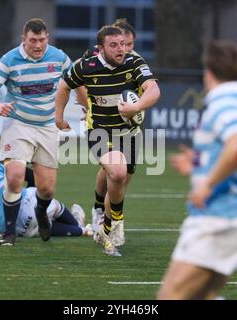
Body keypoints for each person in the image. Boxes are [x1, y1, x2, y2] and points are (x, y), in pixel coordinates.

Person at [157, 40, 237, 300]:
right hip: (227, 219)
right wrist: (198, 161)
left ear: (210, 72)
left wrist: (207, 184)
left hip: (215, 219)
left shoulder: (225, 103)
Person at [55, 25, 160, 256]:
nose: (121, 49)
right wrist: (59, 116)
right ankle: (114, 222)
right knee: (117, 172)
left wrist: (136, 106)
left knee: (122, 180)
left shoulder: (135, 62)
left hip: (130, 133)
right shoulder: (87, 65)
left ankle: (105, 228)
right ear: (101, 49)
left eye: (123, 44)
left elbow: (153, 90)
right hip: (100, 131)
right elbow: (64, 86)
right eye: (114, 45)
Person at [0, 18, 77, 245]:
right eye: (33, 40)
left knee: (46, 189)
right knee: (14, 176)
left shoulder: (59, 58)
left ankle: (42, 211)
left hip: (47, 127)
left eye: (42, 40)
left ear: (47, 39)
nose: (38, 45)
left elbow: (77, 81)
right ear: (23, 39)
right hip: (18, 124)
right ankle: (9, 232)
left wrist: (85, 105)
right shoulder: (9, 59)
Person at [0, 158, 93, 239]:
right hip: (24, 203)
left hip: (12, 228)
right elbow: (24, 172)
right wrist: (34, 191)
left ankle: (82, 231)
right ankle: (78, 224)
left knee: (35, 228)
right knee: (55, 207)